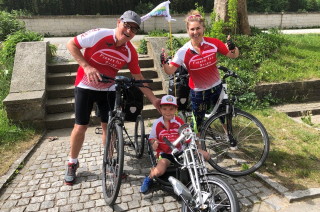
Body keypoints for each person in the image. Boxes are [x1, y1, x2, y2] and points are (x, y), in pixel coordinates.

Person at [64, 10, 161, 185]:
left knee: (108, 127)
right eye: (127, 25)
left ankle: (110, 161)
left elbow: (138, 77)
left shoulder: (130, 51)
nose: (129, 31)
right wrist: (86, 66)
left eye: (134, 29)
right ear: (119, 22)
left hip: (108, 89)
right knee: (80, 127)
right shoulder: (100, 35)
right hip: (85, 86)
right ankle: (72, 162)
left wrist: (154, 99)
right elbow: (71, 44)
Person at [160, 10, 239, 135]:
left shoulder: (213, 43)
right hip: (198, 91)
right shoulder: (183, 51)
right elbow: (169, 70)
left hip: (217, 87)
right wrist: (163, 62)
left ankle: (229, 138)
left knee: (224, 115)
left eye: (198, 28)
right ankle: (197, 150)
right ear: (187, 31)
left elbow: (233, 55)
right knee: (198, 122)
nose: (195, 32)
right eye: (192, 29)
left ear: (203, 28)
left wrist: (233, 48)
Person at [140, 95, 210, 194]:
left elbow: (187, 135)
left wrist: (189, 141)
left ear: (175, 110)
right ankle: (149, 178)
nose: (168, 112)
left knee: (206, 155)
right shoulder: (157, 123)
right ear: (160, 109)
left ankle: (202, 174)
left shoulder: (179, 122)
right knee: (159, 171)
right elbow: (151, 138)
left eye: (171, 109)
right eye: (164, 109)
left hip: (181, 152)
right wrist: (154, 142)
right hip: (166, 154)